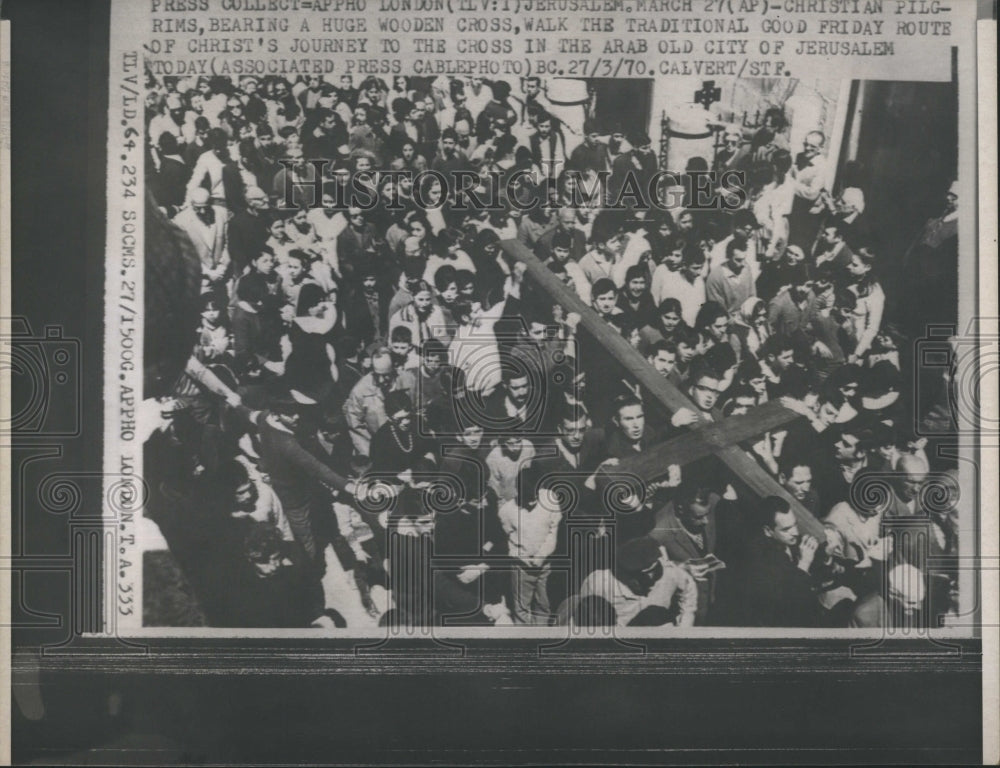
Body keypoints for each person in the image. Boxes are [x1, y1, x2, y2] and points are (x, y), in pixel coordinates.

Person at [717, 496, 821, 627]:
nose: (795, 532)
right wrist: (804, 564)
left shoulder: (791, 541)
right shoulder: (759, 559)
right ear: (768, 531)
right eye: (786, 529)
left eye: (795, 524)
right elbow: (787, 606)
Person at [578, 536, 697, 627]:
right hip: (621, 637)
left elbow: (688, 592)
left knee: (655, 613)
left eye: (653, 570)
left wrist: (683, 628)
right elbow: (586, 620)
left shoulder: (672, 574)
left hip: (658, 635)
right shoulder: (600, 582)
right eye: (640, 575)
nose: (650, 577)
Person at [343, 346, 417, 456]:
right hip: (379, 449)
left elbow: (417, 411)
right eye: (377, 375)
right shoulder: (360, 390)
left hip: (407, 445)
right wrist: (372, 453)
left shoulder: (409, 380)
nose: (381, 380)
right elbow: (355, 425)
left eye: (386, 375)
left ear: (394, 368)